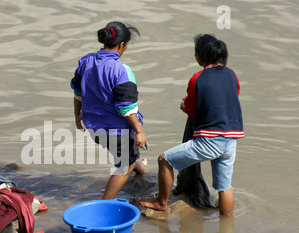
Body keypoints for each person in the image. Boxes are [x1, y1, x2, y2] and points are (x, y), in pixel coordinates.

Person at [139, 34, 244, 216]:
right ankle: (226, 224)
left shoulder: (198, 79)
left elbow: (191, 110)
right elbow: (232, 96)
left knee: (164, 159)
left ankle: (161, 203)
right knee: (224, 187)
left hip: (210, 140)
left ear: (200, 56)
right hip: (232, 138)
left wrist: (183, 105)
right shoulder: (231, 74)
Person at [70, 21, 149, 199]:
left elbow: (77, 92)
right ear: (122, 45)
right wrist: (139, 131)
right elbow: (126, 108)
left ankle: (138, 166)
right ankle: (105, 203)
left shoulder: (86, 61)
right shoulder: (122, 71)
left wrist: (77, 115)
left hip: (93, 126)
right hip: (117, 130)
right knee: (123, 166)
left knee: (120, 151)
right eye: (126, 46)